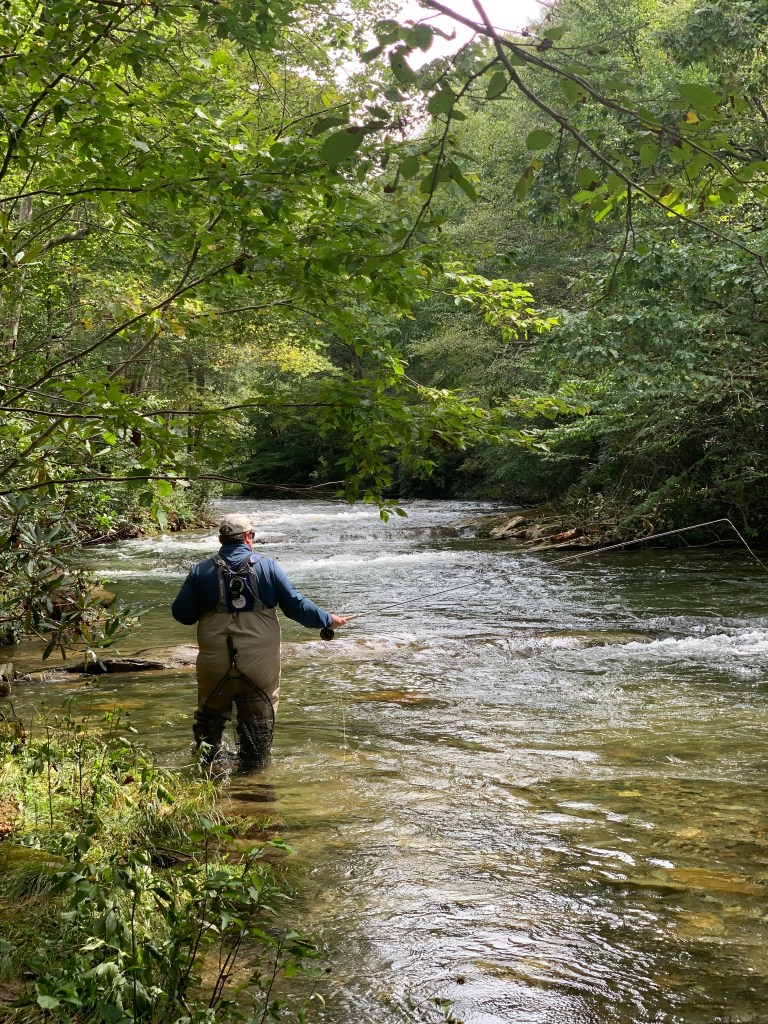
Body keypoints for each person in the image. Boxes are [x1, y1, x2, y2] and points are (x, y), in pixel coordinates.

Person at [172, 512, 347, 768]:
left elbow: (182, 614)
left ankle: (208, 785)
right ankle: (256, 786)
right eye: (252, 535)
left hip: (214, 662)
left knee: (210, 725)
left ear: (221, 540)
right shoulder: (267, 566)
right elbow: (296, 606)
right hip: (259, 664)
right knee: (258, 731)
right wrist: (327, 620)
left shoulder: (201, 569)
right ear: (247, 538)